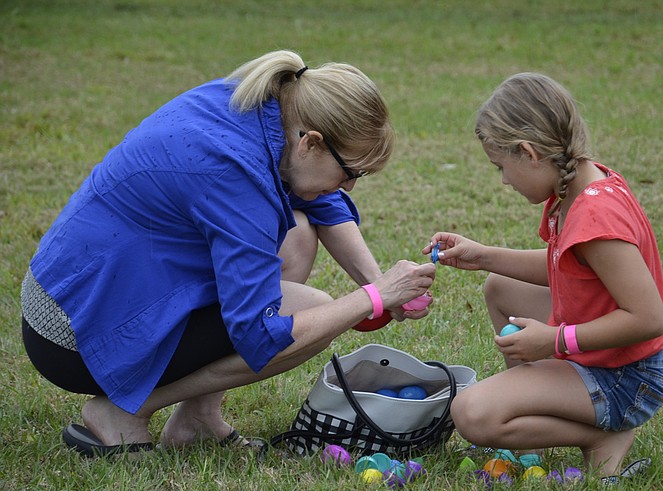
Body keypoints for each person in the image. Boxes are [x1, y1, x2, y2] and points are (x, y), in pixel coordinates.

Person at [21, 50, 435, 456]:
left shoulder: (262, 104)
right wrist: (370, 298)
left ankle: (197, 420)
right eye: (350, 173)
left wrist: (374, 280)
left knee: (300, 233)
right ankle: (121, 412)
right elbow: (259, 334)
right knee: (313, 310)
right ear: (311, 142)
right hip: (71, 337)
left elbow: (317, 198)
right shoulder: (233, 174)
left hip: (72, 293)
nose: (350, 187)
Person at [425, 73, 663, 479]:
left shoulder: (595, 215)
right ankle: (538, 405)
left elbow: (648, 318)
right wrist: (484, 256)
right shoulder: (575, 184)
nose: (504, 180)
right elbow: (569, 268)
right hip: (609, 357)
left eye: (502, 167)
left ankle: (600, 437)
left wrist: (554, 340)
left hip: (626, 379)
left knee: (471, 414)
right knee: (501, 288)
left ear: (529, 152)